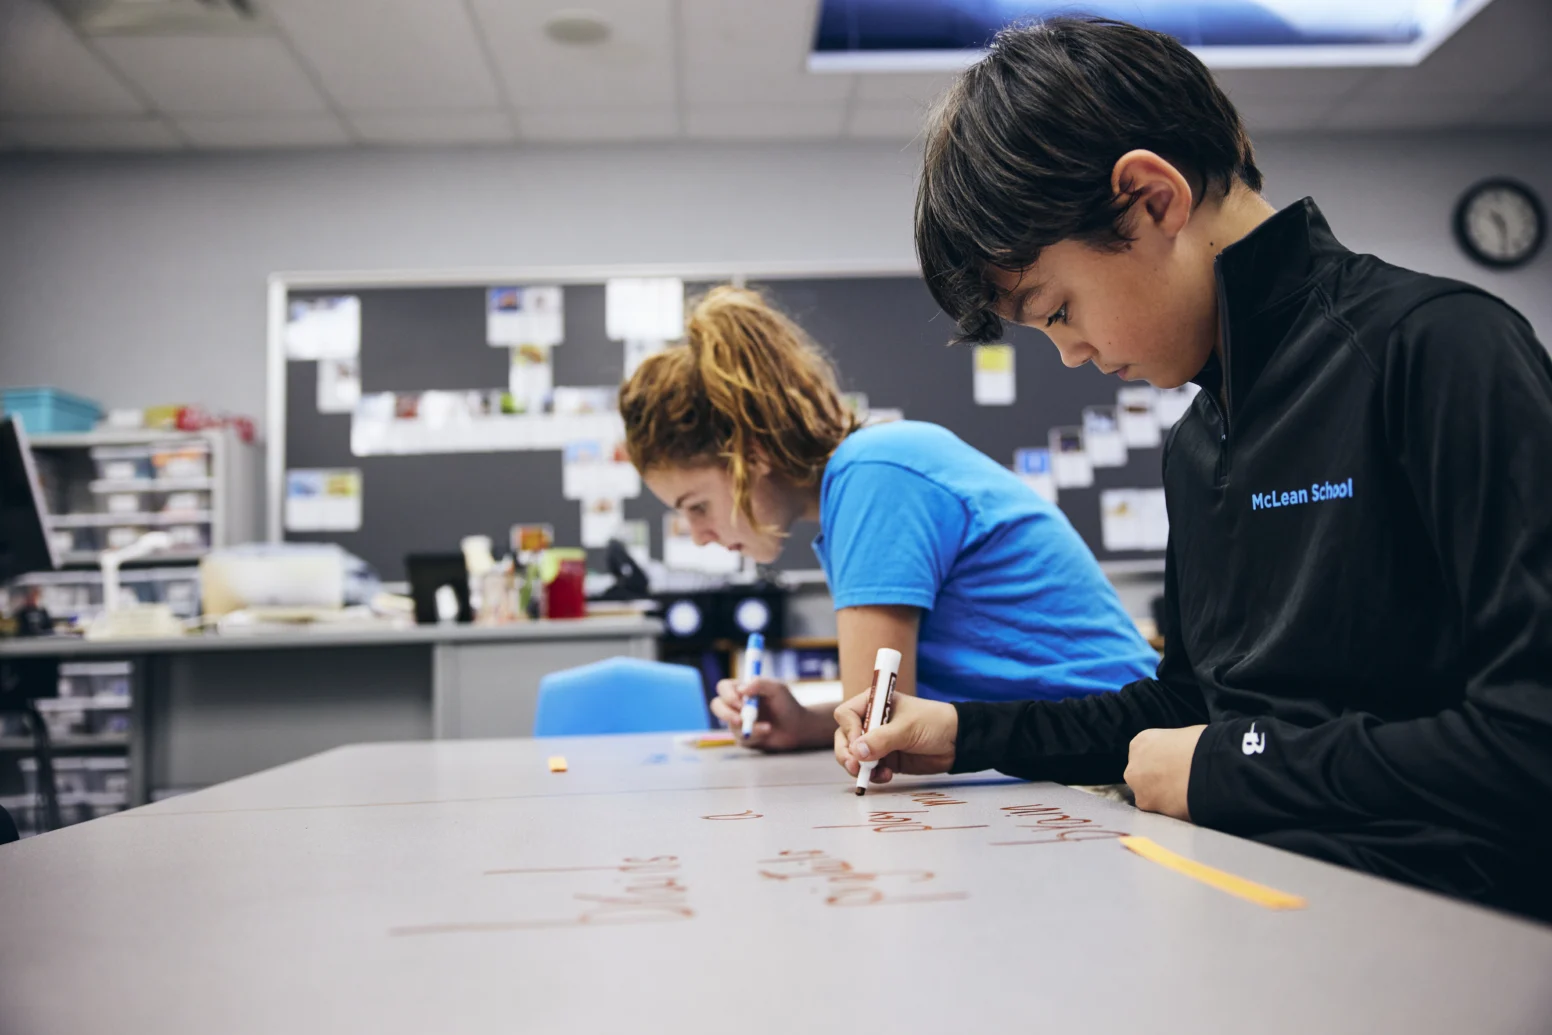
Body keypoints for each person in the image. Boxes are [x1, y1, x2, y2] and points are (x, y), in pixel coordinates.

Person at [835, 16, 1552, 920]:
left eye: (1057, 311)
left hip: (1429, 922)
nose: (1071, 354)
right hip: (1229, 891)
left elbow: (1530, 737)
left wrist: (1229, 761)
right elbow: (1189, 701)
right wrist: (962, 729)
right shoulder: (1201, 435)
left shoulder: (1440, 350)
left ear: (1151, 199)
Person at [620, 285, 1157, 750]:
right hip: (1079, 736)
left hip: (1112, 748)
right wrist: (805, 723)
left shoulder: (871, 479)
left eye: (697, 506)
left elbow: (876, 737)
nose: (699, 535)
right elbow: (895, 714)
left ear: (750, 454)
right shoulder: (867, 475)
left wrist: (856, 729)